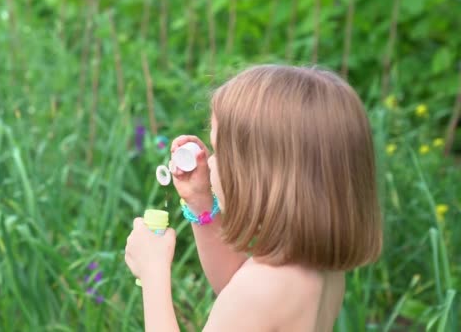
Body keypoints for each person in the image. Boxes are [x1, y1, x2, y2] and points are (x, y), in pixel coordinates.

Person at [124, 65, 383, 331]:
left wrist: (154, 273)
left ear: (256, 174)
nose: (211, 163)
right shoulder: (318, 273)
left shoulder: (259, 291)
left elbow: (243, 299)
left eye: (218, 150)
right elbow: (235, 287)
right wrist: (200, 202)